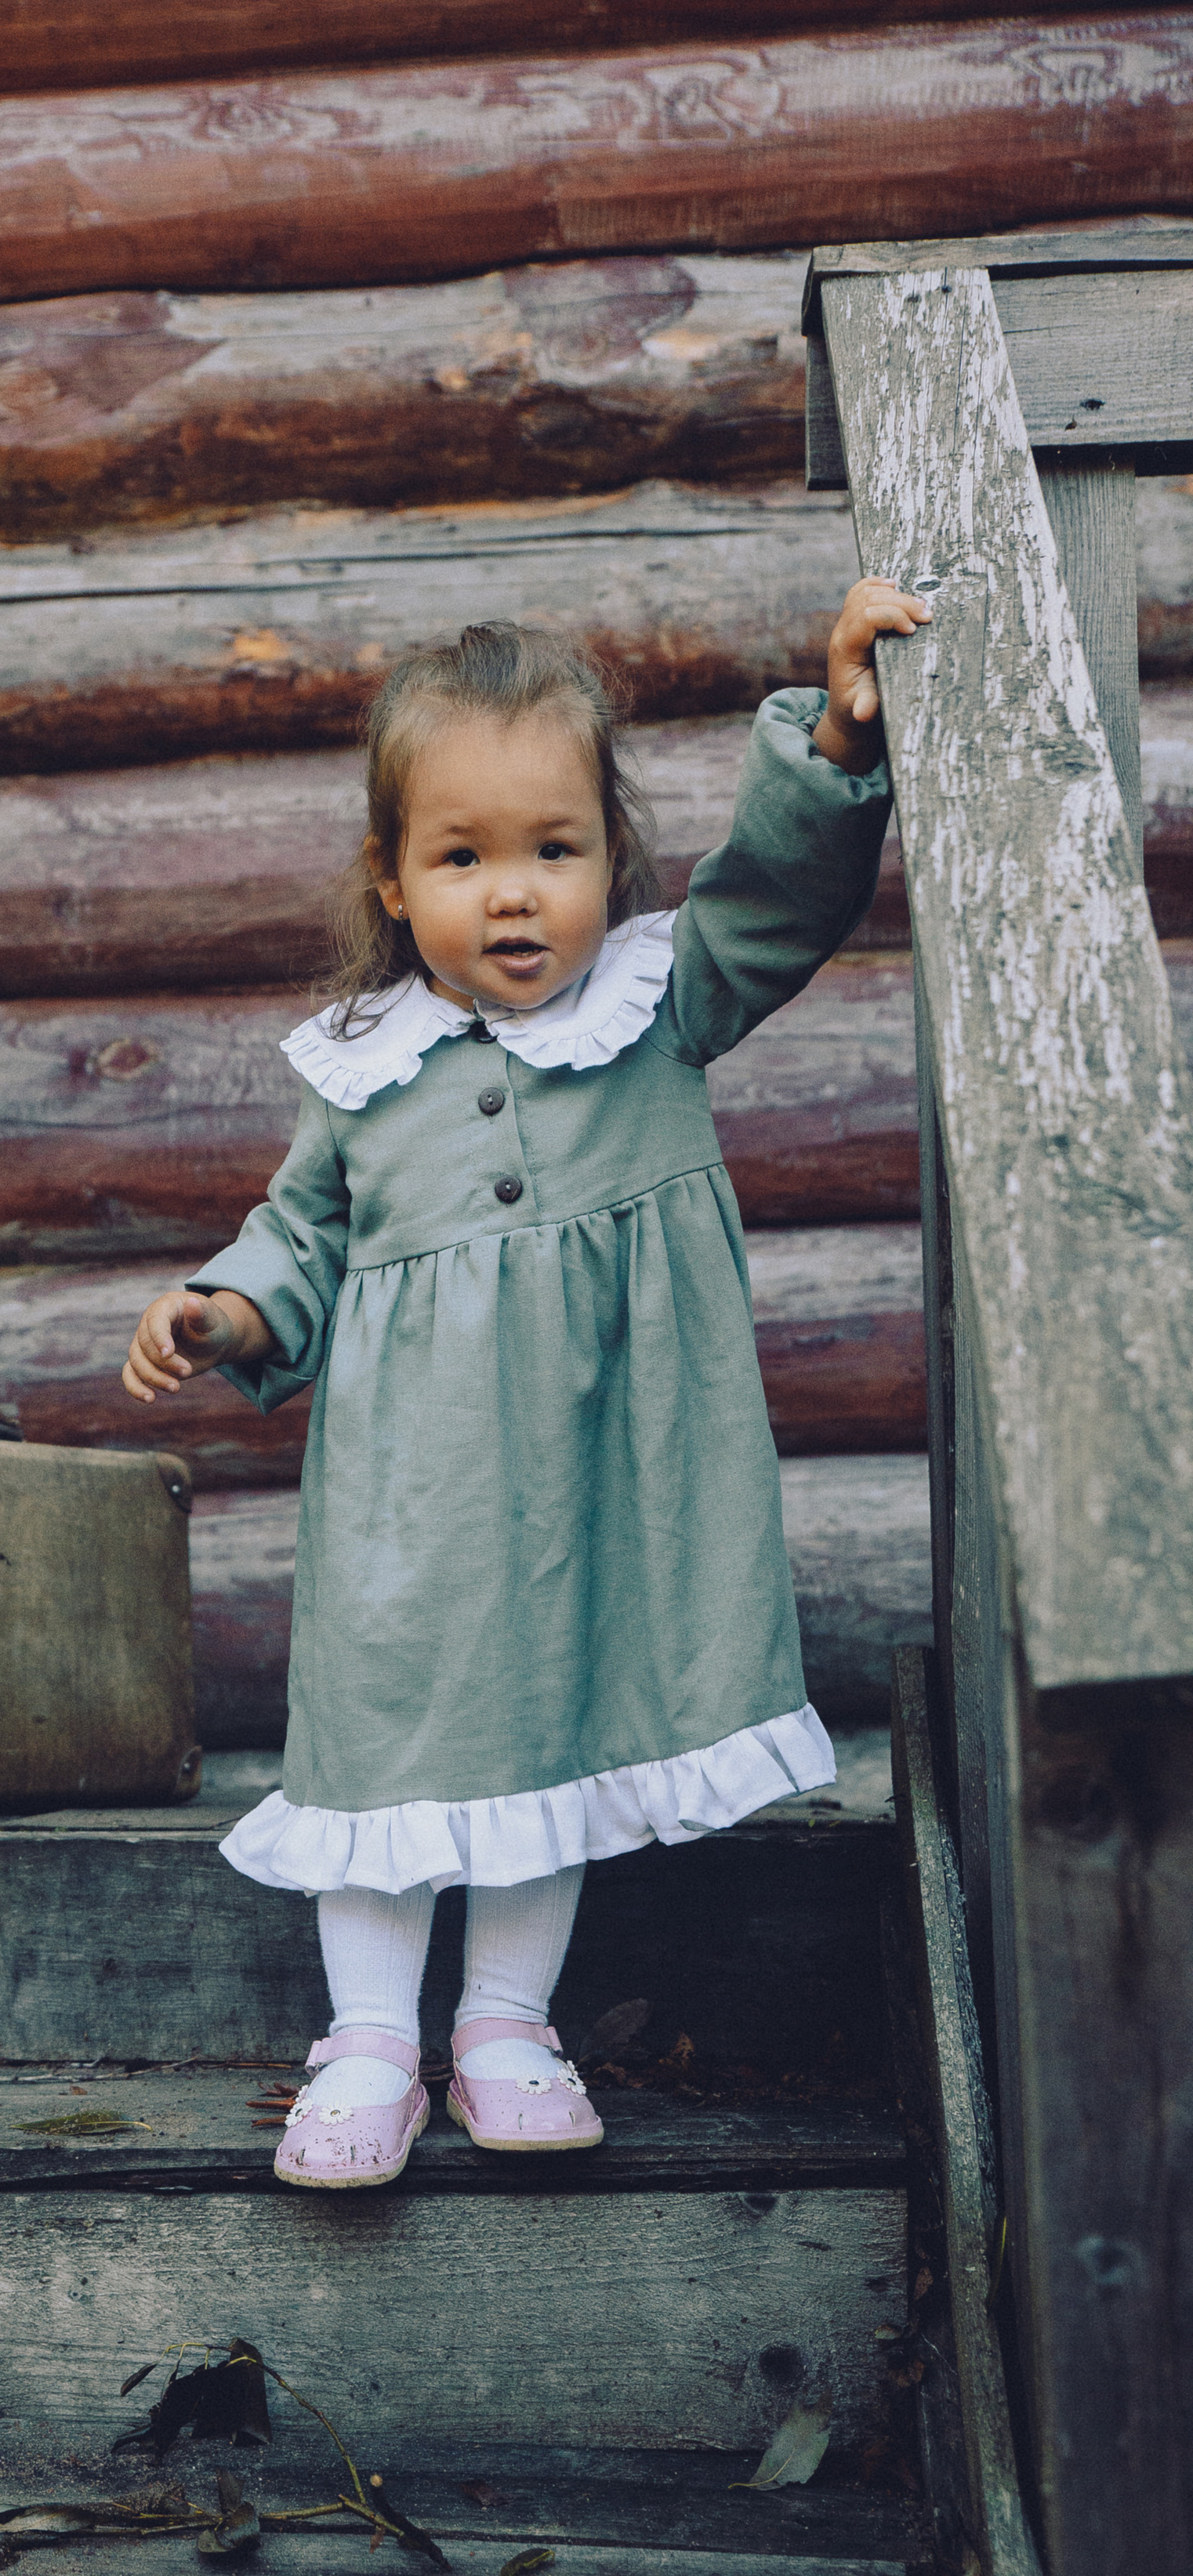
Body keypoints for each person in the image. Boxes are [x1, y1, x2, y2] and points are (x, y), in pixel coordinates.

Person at [121, 580, 929, 2188]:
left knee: (548, 1725)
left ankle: (500, 2022)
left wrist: (839, 731)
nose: (512, 895)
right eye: (462, 856)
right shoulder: (361, 1067)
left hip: (590, 1479)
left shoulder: (654, 1008)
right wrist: (223, 1307)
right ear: (391, 874)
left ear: (607, 863)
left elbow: (773, 897)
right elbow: (301, 1234)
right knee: (382, 1734)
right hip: (406, 1498)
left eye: (551, 851)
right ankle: (364, 2039)